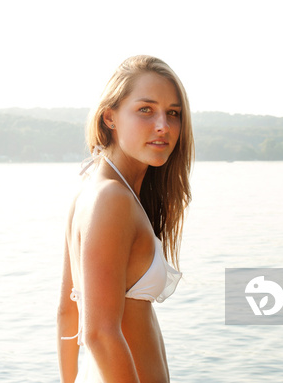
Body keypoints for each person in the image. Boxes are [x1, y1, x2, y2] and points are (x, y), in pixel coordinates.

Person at [57, 55, 194, 382]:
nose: (163, 125)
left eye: (173, 113)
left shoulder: (93, 193)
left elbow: (67, 313)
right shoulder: (112, 200)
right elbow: (99, 334)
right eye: (145, 109)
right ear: (110, 117)